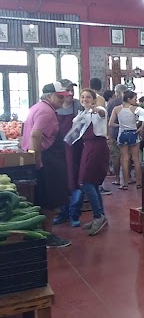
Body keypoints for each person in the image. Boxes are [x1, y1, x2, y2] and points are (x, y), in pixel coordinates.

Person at [21, 82, 72, 248]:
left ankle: (41, 234)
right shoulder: (46, 111)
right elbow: (36, 134)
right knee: (49, 200)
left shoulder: (36, 107)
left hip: (43, 158)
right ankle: (47, 236)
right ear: (49, 96)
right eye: (59, 96)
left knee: (41, 199)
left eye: (64, 96)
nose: (63, 100)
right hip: (47, 160)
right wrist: (37, 158)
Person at [71, 89, 110, 235]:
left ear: (94, 100)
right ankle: (101, 215)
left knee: (85, 181)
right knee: (91, 182)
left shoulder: (98, 110)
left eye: (88, 97)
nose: (85, 99)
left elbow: (101, 113)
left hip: (97, 147)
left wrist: (95, 109)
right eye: (82, 97)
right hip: (88, 147)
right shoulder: (83, 114)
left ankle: (98, 216)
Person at [53, 79, 84, 227]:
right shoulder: (54, 108)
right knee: (60, 181)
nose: (71, 93)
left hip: (75, 149)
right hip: (58, 150)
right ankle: (62, 212)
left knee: (76, 181)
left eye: (72, 90)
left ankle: (74, 213)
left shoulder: (78, 105)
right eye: (68, 90)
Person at [109, 91, 144, 190]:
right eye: (134, 98)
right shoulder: (135, 109)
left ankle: (125, 184)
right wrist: (141, 127)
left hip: (122, 134)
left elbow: (110, 123)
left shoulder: (117, 109)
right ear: (129, 99)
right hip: (133, 133)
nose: (136, 100)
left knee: (124, 159)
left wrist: (119, 125)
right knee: (136, 159)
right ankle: (138, 182)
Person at [106, 84, 126, 185]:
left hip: (114, 132)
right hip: (128, 132)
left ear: (116, 93)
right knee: (127, 155)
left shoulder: (111, 103)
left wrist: (108, 134)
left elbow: (107, 119)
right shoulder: (129, 103)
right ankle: (128, 178)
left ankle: (117, 178)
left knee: (116, 156)